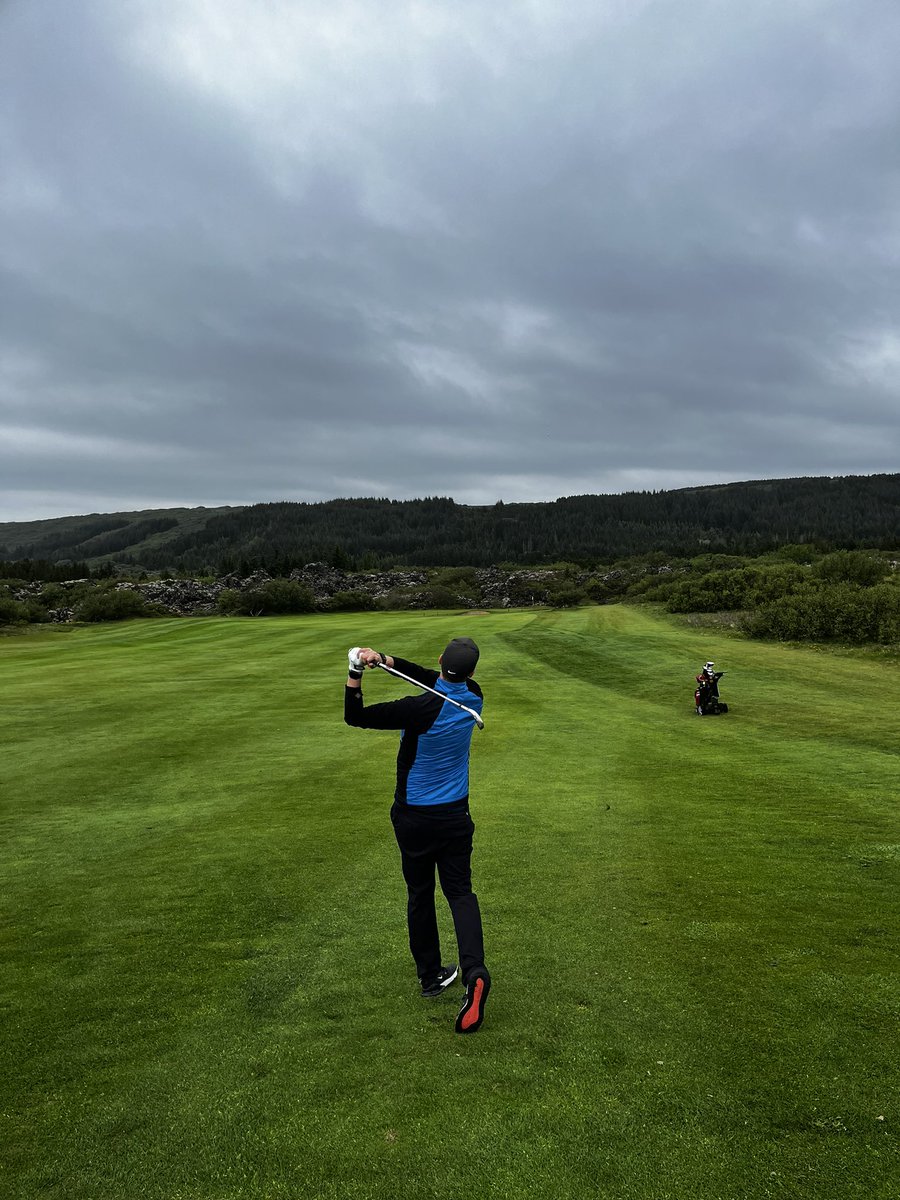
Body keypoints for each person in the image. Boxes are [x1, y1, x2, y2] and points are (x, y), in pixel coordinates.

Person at [343, 638, 490, 1034]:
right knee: (460, 892)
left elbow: (355, 717)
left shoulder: (419, 709)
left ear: (441, 661)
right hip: (455, 815)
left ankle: (430, 975)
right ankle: (474, 970)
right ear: (471, 674)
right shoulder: (473, 697)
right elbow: (429, 680)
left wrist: (355, 671)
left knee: (420, 893)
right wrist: (386, 661)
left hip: (414, 818)